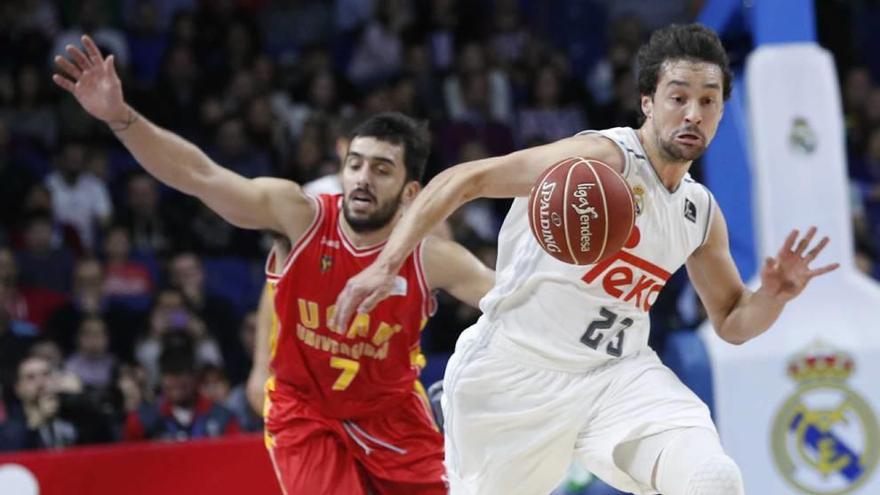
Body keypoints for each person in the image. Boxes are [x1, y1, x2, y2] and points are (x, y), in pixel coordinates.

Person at [333, 24, 840, 495]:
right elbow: (465, 179)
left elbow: (732, 320)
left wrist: (773, 296)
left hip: (617, 374)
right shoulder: (600, 160)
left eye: (708, 101)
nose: (693, 113)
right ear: (647, 102)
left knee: (712, 477)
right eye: (678, 97)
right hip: (515, 372)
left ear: (722, 112)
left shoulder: (699, 212)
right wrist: (385, 264)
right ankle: (452, 407)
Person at [53, 36, 494, 495]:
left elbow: (507, 298)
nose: (362, 178)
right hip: (307, 413)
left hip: (392, 416)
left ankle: (443, 410)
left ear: (409, 192)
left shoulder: (430, 256)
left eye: (381, 169)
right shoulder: (298, 216)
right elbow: (199, 175)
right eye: (355, 164)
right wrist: (122, 118)